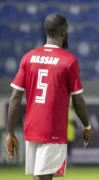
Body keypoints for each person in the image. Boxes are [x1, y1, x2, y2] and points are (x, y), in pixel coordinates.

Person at [6, 13, 91, 180]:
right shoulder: (69, 61)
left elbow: (15, 96)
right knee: (43, 176)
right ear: (63, 32)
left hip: (31, 128)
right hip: (52, 130)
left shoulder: (28, 57)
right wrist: (87, 125)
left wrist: (10, 132)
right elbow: (78, 101)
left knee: (41, 174)